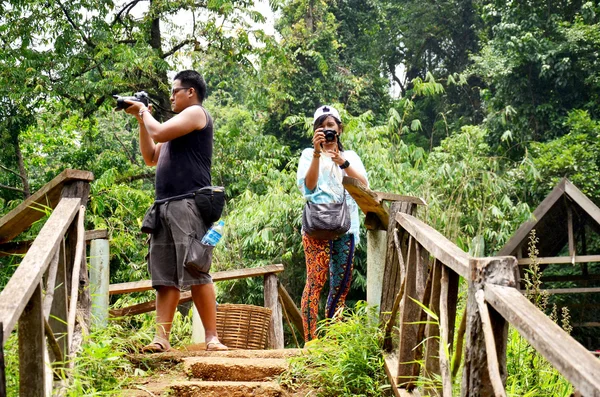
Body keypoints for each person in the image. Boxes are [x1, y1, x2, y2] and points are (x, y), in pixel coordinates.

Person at [123, 70, 227, 352]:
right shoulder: (174, 126)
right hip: (163, 207)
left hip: (188, 204)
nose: (171, 96)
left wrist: (144, 111)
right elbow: (150, 157)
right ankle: (161, 339)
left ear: (191, 92)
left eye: (175, 91)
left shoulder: (196, 114)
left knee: (196, 267)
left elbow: (157, 130)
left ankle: (211, 338)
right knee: (165, 276)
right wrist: (140, 119)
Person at [296, 105, 369, 341]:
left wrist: (342, 162)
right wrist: (318, 154)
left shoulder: (351, 157)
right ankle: (310, 342)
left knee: (340, 287)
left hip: (346, 229)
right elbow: (308, 189)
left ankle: (332, 341)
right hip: (316, 228)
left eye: (331, 126)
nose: (327, 131)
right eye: (321, 127)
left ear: (339, 129)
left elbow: (364, 186)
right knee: (315, 283)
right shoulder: (309, 154)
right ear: (315, 131)